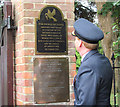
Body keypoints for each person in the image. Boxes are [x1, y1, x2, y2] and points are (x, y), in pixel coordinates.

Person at [72, 18, 113, 106]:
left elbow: (86, 104)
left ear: (80, 43)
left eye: (75, 39)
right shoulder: (103, 60)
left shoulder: (89, 66)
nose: (74, 42)